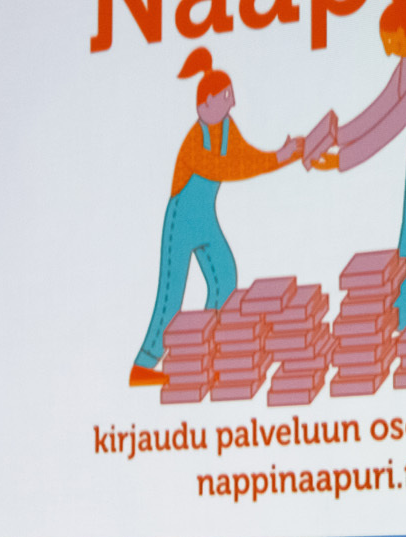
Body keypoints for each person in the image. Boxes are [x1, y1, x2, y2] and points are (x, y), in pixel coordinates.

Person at [130, 49, 303, 387]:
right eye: (226, 96)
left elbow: (247, 157)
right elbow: (225, 168)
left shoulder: (226, 127)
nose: (233, 102)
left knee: (224, 279)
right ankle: (143, 365)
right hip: (181, 220)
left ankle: (205, 351)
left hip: (205, 217)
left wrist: (282, 156)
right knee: (170, 295)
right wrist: (279, 158)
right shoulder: (195, 141)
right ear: (205, 104)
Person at [309, 0, 406, 331]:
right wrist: (335, 136)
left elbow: (394, 122)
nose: (386, 48)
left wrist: (342, 159)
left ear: (403, 32)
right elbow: (378, 112)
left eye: (388, 39)